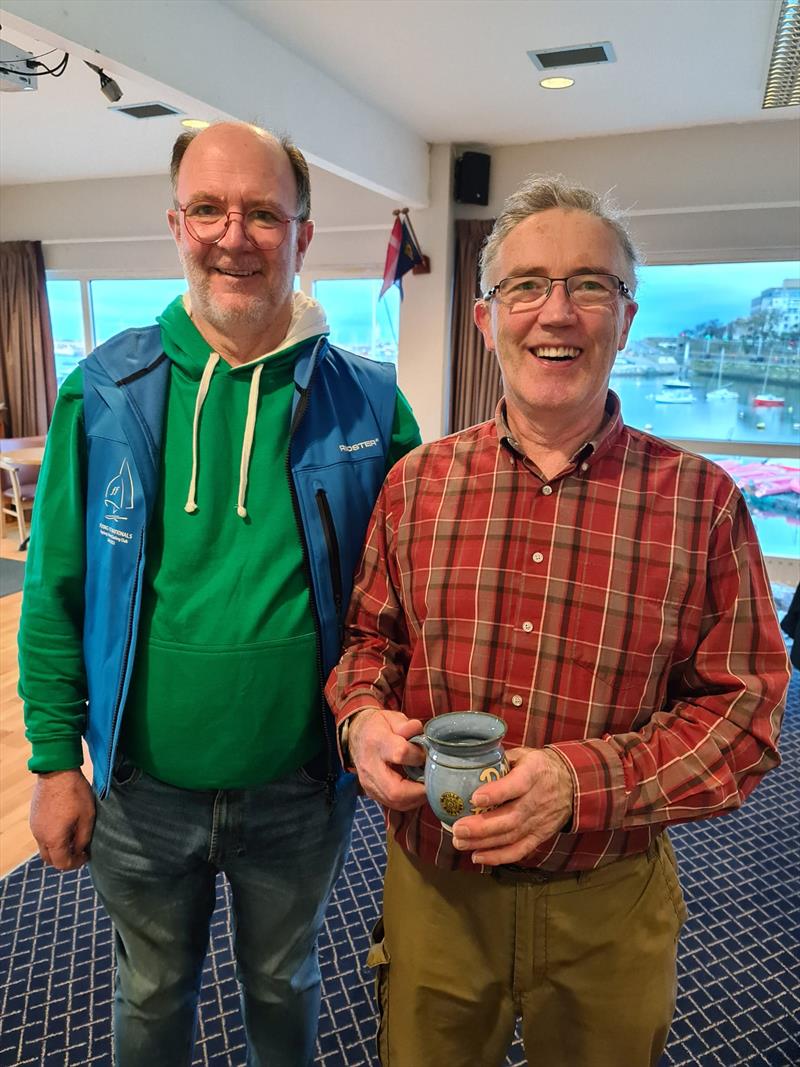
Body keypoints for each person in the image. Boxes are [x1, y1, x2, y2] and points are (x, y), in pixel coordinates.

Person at [326, 175, 791, 1067]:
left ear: (626, 317)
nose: (558, 311)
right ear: (484, 317)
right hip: (436, 886)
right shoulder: (415, 484)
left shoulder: (703, 503)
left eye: (590, 285)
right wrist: (360, 723)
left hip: (607, 896)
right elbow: (367, 647)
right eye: (527, 285)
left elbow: (744, 715)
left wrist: (581, 784)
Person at [20, 121, 420, 1067]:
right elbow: (56, 590)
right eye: (208, 209)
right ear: (175, 224)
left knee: (285, 979)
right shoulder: (104, 392)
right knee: (152, 990)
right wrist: (50, 758)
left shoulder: (368, 402)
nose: (233, 235)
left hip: (302, 785)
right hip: (142, 789)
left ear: (304, 234)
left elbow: (413, 592)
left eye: (262, 214)